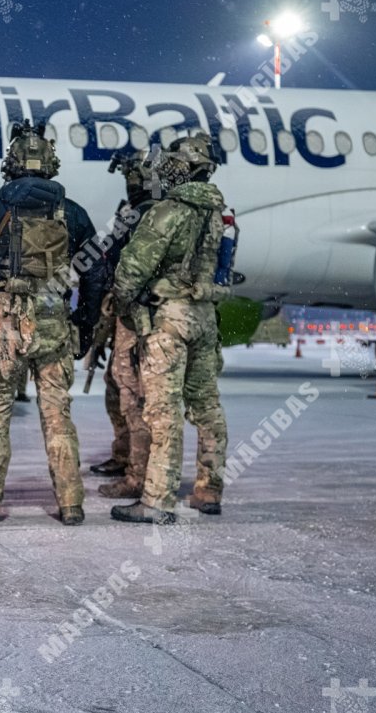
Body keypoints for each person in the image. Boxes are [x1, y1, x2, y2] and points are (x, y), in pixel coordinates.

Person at [0, 120, 105, 527]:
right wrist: (85, 324)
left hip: (2, 325)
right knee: (58, 416)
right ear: (50, 163)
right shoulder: (72, 214)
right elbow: (95, 274)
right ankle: (71, 503)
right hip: (54, 322)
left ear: (12, 163)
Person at [109, 133, 231, 525]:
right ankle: (208, 490)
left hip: (168, 322)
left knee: (164, 414)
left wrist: (126, 301)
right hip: (204, 318)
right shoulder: (216, 214)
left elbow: (131, 270)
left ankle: (158, 500)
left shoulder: (168, 211)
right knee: (207, 407)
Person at [94, 147, 161, 500]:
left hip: (136, 316)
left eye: (134, 177)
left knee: (133, 393)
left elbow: (133, 267)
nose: (130, 184)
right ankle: (125, 456)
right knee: (116, 386)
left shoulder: (152, 216)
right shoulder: (132, 213)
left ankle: (140, 471)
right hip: (121, 311)